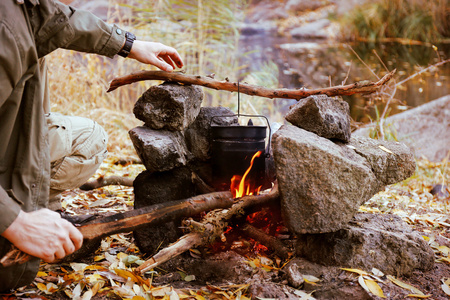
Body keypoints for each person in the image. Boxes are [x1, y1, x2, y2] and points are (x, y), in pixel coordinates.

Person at [0, 0, 184, 291]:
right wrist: (15, 222)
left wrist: (130, 44)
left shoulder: (23, 7)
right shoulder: (5, 29)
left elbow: (58, 21)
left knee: (89, 139)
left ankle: (41, 212)